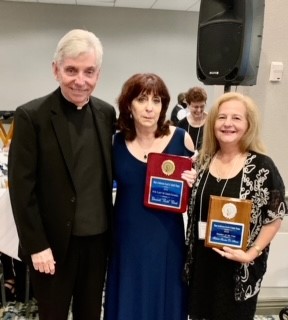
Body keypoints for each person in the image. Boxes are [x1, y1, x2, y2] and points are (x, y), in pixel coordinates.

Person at [8, 29, 116, 320]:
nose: (81, 80)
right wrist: (37, 246)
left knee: (90, 314)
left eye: (89, 71)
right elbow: (21, 190)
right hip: (52, 247)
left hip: (97, 243)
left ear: (98, 74)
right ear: (55, 70)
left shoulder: (107, 114)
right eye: (71, 70)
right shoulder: (32, 116)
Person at [184, 92, 287, 320]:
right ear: (213, 123)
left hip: (239, 268)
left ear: (249, 124)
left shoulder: (263, 167)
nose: (227, 123)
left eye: (236, 118)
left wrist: (251, 253)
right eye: (222, 117)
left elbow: (275, 216)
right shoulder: (202, 161)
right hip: (203, 264)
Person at [104, 73, 196, 320]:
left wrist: (193, 183)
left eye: (157, 101)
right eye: (142, 99)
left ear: (164, 106)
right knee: (128, 298)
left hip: (167, 238)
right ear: (128, 105)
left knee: (165, 299)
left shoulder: (180, 139)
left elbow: (201, 188)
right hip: (127, 238)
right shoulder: (114, 143)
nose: (149, 108)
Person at [178, 86, 207, 153]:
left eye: (202, 106)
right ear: (188, 105)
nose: (199, 110)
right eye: (196, 107)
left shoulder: (211, 122)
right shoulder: (181, 124)